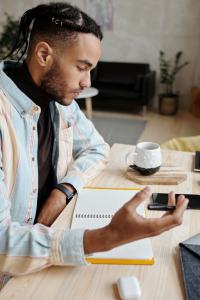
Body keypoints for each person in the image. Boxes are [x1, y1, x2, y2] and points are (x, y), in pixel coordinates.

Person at [0, 2, 188, 289]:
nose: (86, 82)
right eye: (81, 67)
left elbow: (99, 148)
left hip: (50, 246)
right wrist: (106, 237)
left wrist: (63, 191)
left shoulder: (62, 102)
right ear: (43, 55)